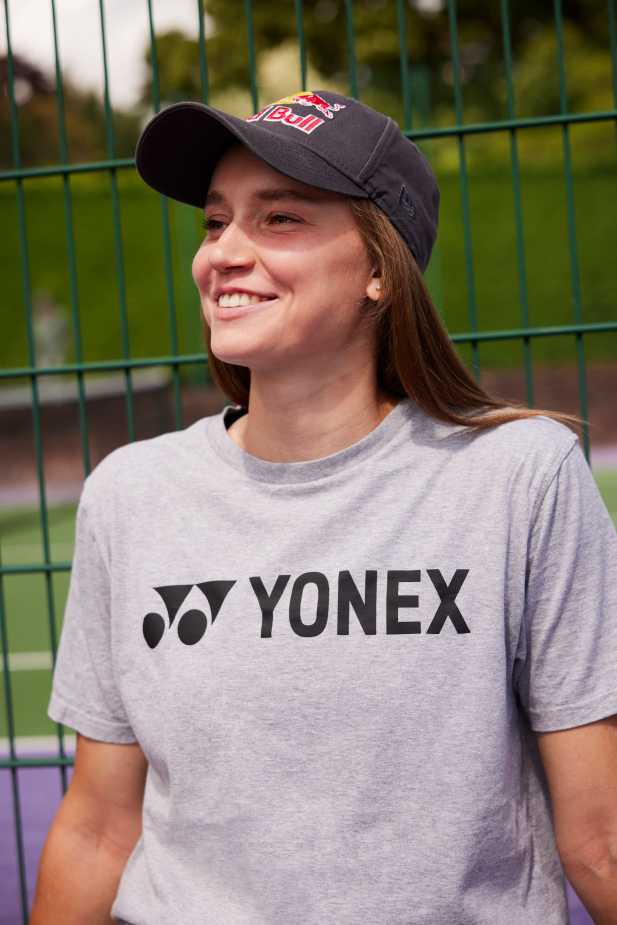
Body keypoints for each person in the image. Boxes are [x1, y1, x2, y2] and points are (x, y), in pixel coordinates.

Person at [33, 90, 617, 925]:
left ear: (379, 267)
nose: (223, 254)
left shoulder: (519, 478)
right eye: (215, 222)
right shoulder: (130, 494)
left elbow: (600, 837)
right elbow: (96, 827)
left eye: (279, 220)